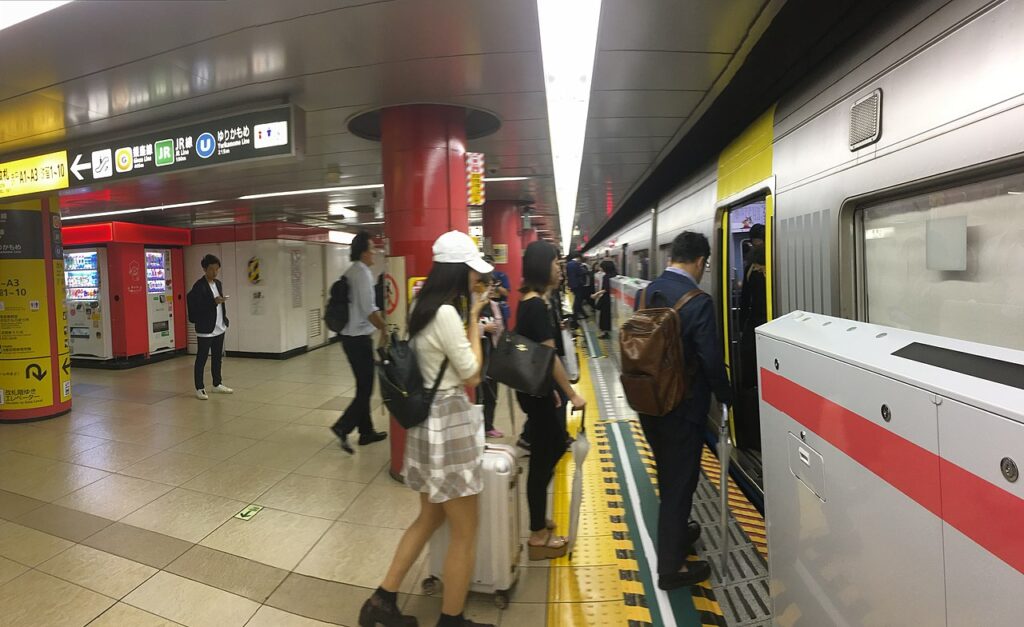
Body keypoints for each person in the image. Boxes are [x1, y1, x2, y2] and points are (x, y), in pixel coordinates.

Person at [358, 230, 493, 627]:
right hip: (447, 421)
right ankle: (451, 620)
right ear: (458, 271)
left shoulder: (421, 305)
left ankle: (381, 602)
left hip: (426, 423)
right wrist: (474, 318)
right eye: (472, 270)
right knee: (465, 531)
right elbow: (472, 374)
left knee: (429, 518)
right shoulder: (448, 313)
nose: (477, 278)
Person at [635, 231, 732, 589]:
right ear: (701, 261)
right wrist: (727, 396)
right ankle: (670, 570)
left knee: (668, 474)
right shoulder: (698, 302)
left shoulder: (648, 291)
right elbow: (710, 360)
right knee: (681, 483)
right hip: (683, 408)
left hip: (649, 402)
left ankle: (678, 534)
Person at [516, 241, 586, 561]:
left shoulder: (533, 301)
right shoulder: (535, 305)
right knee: (546, 455)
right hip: (539, 393)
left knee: (548, 452)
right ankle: (537, 535)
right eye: (556, 264)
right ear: (542, 267)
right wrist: (571, 393)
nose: (560, 268)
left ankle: (538, 520)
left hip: (537, 391)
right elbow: (549, 356)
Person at [331, 230, 388, 454]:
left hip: (349, 337)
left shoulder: (351, 270)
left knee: (363, 385)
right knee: (366, 389)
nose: (375, 252)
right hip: (358, 339)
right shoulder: (362, 273)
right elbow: (369, 310)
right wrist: (385, 328)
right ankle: (342, 426)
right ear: (364, 252)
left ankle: (366, 432)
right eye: (372, 249)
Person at [189, 254, 233, 400]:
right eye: (211, 269)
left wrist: (224, 318)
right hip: (206, 329)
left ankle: (217, 383)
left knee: (217, 357)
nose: (215, 272)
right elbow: (198, 308)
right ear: (204, 269)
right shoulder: (199, 286)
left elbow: (219, 305)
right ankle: (199, 387)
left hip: (219, 326)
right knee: (201, 359)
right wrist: (213, 302)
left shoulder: (218, 284)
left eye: (217, 269)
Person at [474, 273, 505, 439]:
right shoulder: (472, 306)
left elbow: (500, 329)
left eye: (492, 285)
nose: (490, 289)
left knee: (492, 393)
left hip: (492, 356)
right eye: (487, 285)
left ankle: (489, 425)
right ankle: (478, 427)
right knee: (479, 394)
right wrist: (483, 328)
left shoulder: (494, 305)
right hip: (478, 357)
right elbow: (467, 328)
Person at [591, 259, 618, 339]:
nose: (600, 268)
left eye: (601, 267)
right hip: (613, 298)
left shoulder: (606, 276)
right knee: (610, 316)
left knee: (604, 316)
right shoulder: (616, 275)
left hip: (606, 299)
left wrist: (596, 294)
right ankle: (609, 331)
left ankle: (604, 333)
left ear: (605, 267)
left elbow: (606, 289)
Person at [485, 254, 511, 324]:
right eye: (485, 263)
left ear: (494, 264)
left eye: (489, 263)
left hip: (500, 307)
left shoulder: (501, 275)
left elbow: (506, 293)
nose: (487, 265)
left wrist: (496, 284)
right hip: (486, 308)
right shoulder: (479, 276)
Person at [566, 253, 588, 321]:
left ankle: (582, 314)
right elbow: (581, 272)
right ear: (578, 257)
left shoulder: (568, 264)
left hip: (572, 284)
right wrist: (584, 269)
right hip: (578, 284)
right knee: (578, 300)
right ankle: (574, 316)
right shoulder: (576, 264)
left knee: (578, 300)